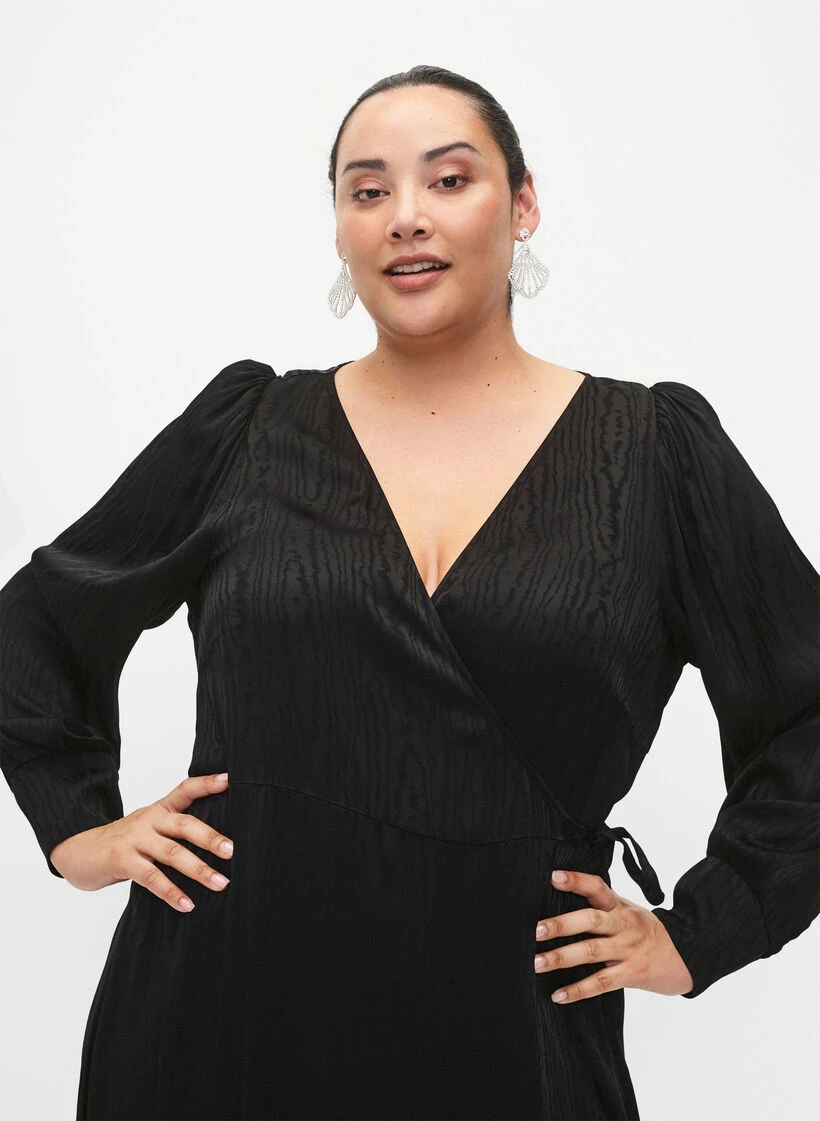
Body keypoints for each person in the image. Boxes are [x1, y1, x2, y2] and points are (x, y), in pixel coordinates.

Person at [0, 63, 817, 1121]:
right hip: (219, 1011)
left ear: (522, 205)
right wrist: (79, 829)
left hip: (508, 1031)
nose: (405, 217)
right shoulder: (247, 430)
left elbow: (807, 712)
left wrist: (701, 930)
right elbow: (39, 622)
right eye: (368, 190)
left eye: (449, 179)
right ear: (341, 229)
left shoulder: (657, 456)